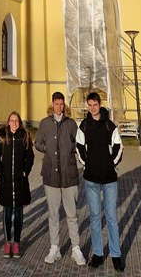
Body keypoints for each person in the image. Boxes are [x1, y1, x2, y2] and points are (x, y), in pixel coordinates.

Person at [35, 91, 86, 266]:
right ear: (52, 104)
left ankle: (76, 248)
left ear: (64, 105)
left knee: (72, 214)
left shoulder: (71, 124)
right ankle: (54, 247)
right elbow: (37, 142)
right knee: (53, 214)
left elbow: (79, 144)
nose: (59, 106)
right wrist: (46, 149)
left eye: (61, 103)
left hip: (69, 174)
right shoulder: (44, 123)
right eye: (56, 103)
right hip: (51, 174)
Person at [76, 92, 124, 272]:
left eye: (94, 104)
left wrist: (110, 165)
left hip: (109, 179)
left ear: (100, 104)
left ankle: (116, 255)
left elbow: (119, 148)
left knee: (111, 217)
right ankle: (97, 254)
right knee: (95, 217)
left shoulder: (109, 125)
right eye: (89, 105)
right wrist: (87, 164)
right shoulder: (84, 126)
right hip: (91, 179)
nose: (92, 108)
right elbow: (79, 147)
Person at [0, 111, 34, 259]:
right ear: (8, 122)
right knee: (7, 212)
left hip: (20, 181)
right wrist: (0, 172)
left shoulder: (25, 136)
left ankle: (16, 242)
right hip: (6, 181)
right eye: (12, 120)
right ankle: (7, 242)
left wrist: (25, 171)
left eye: (16, 121)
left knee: (19, 213)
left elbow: (30, 157)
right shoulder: (3, 136)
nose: (14, 123)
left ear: (19, 122)